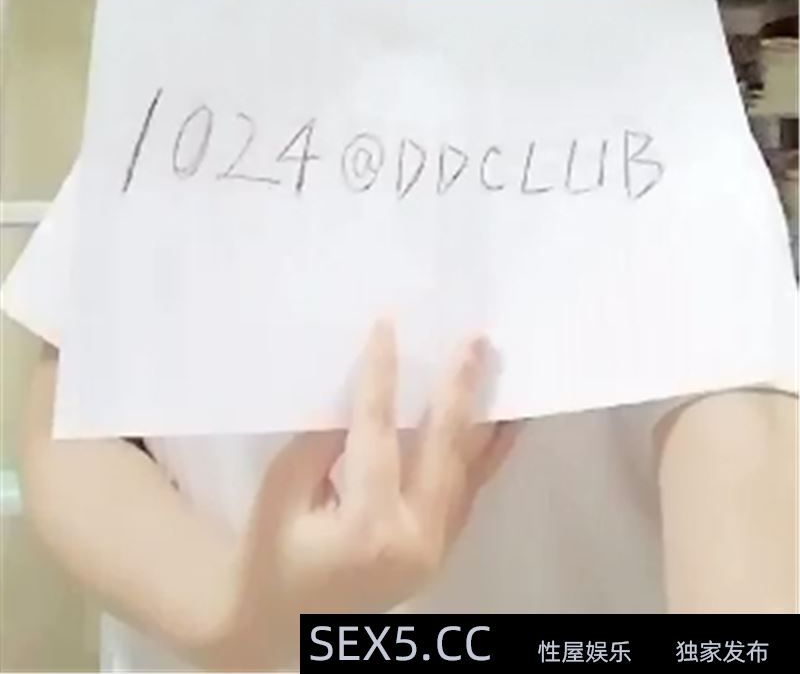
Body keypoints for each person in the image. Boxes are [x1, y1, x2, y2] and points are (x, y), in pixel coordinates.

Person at [4, 169, 797, 674]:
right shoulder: (191, 75)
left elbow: (745, 454)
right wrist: (238, 613)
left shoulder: (671, 140)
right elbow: (77, 423)